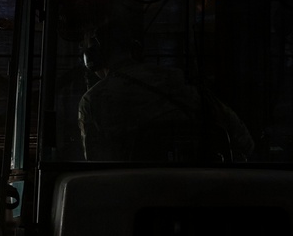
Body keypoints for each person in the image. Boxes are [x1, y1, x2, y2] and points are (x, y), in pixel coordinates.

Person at [77, 25, 254, 162]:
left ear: (93, 58)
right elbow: (243, 140)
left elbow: (96, 162)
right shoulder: (181, 81)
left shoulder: (94, 100)